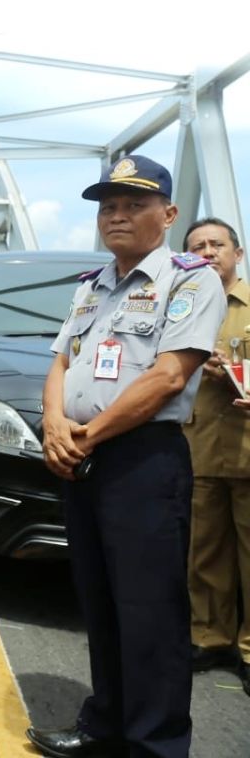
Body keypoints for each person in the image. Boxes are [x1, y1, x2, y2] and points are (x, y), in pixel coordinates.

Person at [29, 156, 226, 758]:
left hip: (143, 461)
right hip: (82, 460)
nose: (116, 215)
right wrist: (55, 424)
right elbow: (61, 361)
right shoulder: (91, 286)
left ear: (167, 215)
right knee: (102, 600)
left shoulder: (191, 280)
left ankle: (154, 745)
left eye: (133, 204)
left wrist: (87, 435)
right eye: (108, 206)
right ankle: (104, 725)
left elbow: (169, 376)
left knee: (151, 611)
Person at [181, 216, 250, 696]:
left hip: (247, 448)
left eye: (216, 245)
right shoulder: (181, 305)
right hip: (198, 446)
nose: (208, 253)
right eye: (197, 246)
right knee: (203, 552)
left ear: (237, 253)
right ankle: (210, 637)